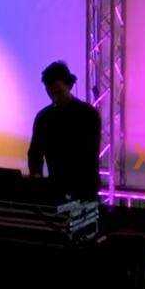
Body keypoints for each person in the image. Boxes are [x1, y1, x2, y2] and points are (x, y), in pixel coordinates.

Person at [26, 60, 101, 200]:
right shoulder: (43, 117)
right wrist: (36, 176)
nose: (54, 97)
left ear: (69, 85)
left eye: (58, 92)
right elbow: (35, 152)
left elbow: (89, 156)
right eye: (50, 93)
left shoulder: (88, 114)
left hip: (84, 190)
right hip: (56, 188)